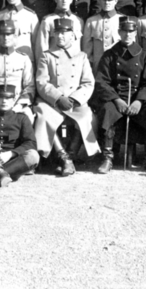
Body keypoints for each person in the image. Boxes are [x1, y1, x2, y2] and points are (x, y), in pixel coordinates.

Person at [91, 17, 146, 174]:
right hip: (115, 97)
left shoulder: (143, 55)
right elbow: (101, 82)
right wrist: (116, 100)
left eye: (131, 31)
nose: (127, 34)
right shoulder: (109, 54)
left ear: (135, 33)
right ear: (119, 32)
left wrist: (139, 101)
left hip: (137, 97)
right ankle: (108, 158)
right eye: (124, 31)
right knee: (108, 111)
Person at [35, 16, 99, 175]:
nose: (60, 36)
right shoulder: (46, 56)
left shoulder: (81, 56)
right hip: (52, 102)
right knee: (44, 117)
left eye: (64, 33)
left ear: (72, 35)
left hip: (74, 101)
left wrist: (74, 99)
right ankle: (63, 157)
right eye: (57, 33)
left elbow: (88, 83)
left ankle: (71, 155)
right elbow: (42, 82)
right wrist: (58, 97)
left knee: (87, 117)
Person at [0, 17, 35, 120]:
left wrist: (19, 105)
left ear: (14, 37)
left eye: (8, 34)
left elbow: (29, 86)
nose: (5, 38)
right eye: (2, 34)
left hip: (17, 104)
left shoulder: (23, 59)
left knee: (28, 118)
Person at [33, 0, 82, 72]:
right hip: (54, 67)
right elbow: (41, 48)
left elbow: (81, 48)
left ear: (71, 0)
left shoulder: (78, 21)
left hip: (74, 67)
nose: (64, 0)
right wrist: (43, 69)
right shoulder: (48, 20)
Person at [82, 0, 121, 69]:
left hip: (117, 65)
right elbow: (87, 47)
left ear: (116, 1)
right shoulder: (91, 21)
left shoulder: (121, 19)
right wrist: (90, 63)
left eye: (110, 0)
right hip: (98, 66)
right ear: (99, 0)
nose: (106, 2)